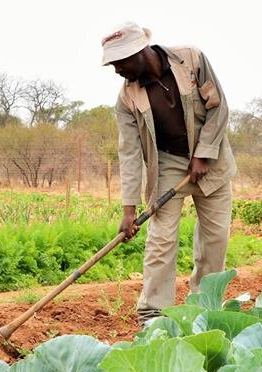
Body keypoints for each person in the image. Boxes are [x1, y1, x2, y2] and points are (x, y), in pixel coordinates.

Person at [101, 21, 236, 324]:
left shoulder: (191, 59)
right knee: (160, 240)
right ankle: (153, 314)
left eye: (119, 62)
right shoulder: (127, 99)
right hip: (167, 165)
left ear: (139, 52)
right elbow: (130, 154)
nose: (117, 70)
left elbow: (219, 108)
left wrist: (203, 154)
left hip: (211, 159)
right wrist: (129, 208)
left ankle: (205, 308)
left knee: (215, 239)